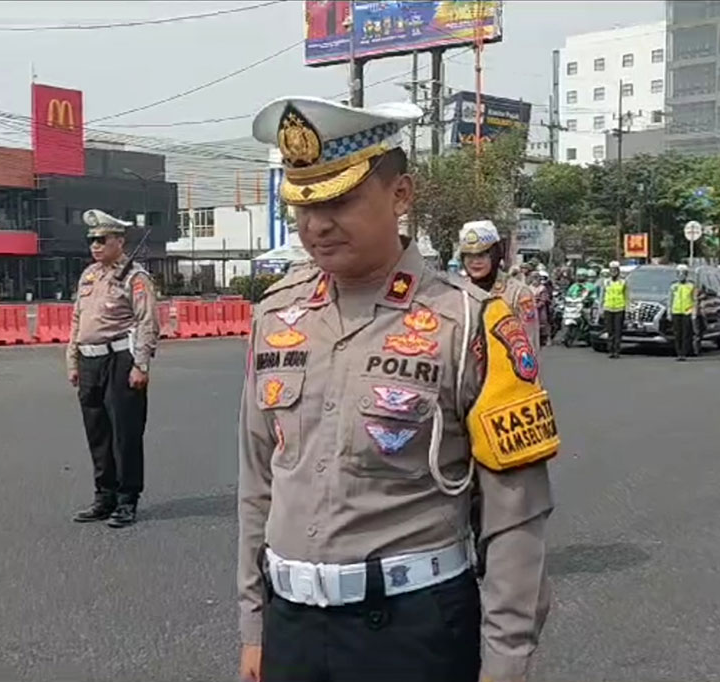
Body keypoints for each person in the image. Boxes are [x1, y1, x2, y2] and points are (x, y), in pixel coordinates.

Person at [239, 95, 557, 682]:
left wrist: (507, 663)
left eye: (339, 199)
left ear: (400, 194)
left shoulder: (470, 322)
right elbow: (259, 480)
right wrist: (255, 625)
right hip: (292, 629)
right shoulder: (276, 317)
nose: (316, 224)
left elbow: (515, 516)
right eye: (302, 203)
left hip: (412, 633)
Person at [67, 209, 159, 528]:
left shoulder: (135, 277)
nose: (95, 245)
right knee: (98, 432)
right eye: (91, 239)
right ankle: (104, 496)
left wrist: (140, 364)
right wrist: (73, 360)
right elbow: (77, 320)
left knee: (125, 432)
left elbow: (147, 322)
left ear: (119, 242)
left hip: (121, 358)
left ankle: (126, 499)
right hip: (90, 360)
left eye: (101, 239)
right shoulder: (89, 275)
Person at [458, 219, 540, 350]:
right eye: (469, 256)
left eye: (482, 255)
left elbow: (529, 347)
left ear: (495, 255)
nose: (475, 262)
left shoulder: (518, 293)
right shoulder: (457, 292)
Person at [600, 261, 628, 358]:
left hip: (619, 309)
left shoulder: (623, 282)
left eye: (615, 270)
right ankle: (610, 350)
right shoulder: (606, 282)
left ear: (618, 271)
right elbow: (602, 296)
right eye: (611, 270)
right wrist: (600, 308)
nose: (613, 272)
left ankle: (617, 351)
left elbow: (627, 296)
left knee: (618, 331)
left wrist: (627, 309)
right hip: (608, 308)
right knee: (610, 331)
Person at [669, 264, 696, 361]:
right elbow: (670, 299)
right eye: (679, 273)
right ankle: (678, 353)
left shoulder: (691, 286)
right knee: (677, 333)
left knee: (686, 334)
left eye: (683, 273)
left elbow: (694, 300)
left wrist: (693, 313)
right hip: (676, 311)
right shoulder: (673, 286)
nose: (681, 275)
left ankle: (684, 353)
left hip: (687, 312)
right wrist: (669, 312)